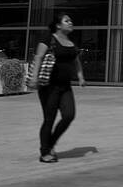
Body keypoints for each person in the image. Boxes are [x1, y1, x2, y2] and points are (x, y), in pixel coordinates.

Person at [30, 12, 85, 162]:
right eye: (67, 21)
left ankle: (51, 143)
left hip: (65, 86)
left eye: (70, 20)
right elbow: (38, 57)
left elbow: (76, 60)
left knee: (69, 115)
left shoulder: (70, 42)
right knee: (49, 119)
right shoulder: (48, 39)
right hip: (49, 86)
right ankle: (45, 152)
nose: (70, 22)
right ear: (58, 25)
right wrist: (34, 78)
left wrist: (80, 76)